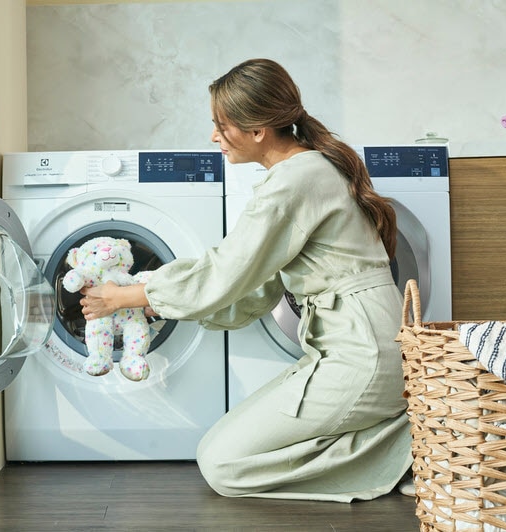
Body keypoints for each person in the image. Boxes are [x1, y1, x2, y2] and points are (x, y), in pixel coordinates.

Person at [79, 58, 412, 502]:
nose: (214, 137)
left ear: (258, 130)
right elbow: (256, 287)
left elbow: (226, 271)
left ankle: (410, 448)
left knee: (223, 466)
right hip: (358, 350)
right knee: (223, 457)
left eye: (222, 125)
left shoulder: (296, 180)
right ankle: (408, 436)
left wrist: (125, 295)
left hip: (361, 356)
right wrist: (158, 302)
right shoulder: (305, 172)